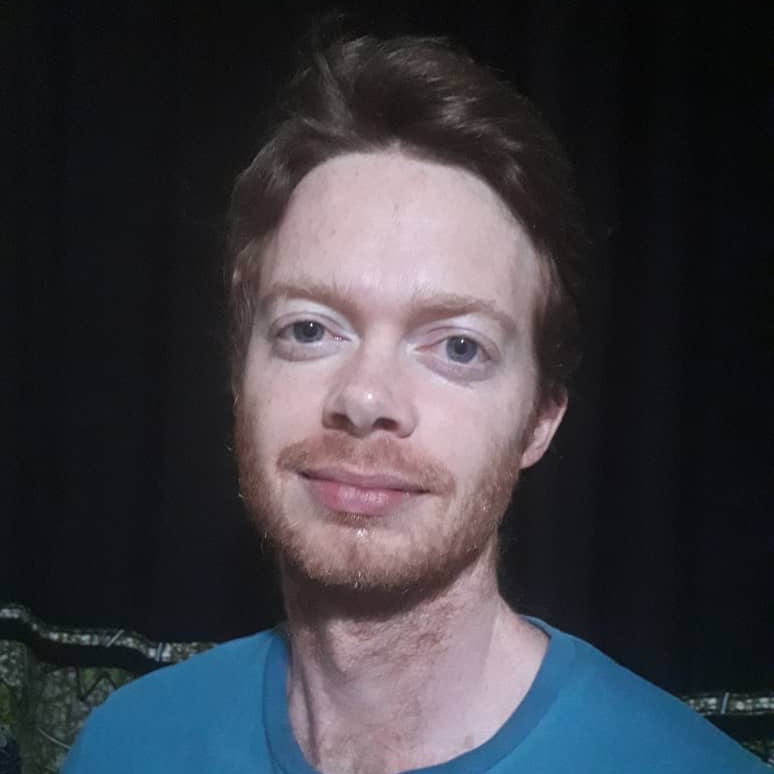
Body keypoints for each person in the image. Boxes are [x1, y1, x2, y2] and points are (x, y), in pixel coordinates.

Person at [61, 33, 767, 773]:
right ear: (240, 375)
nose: (365, 398)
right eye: (309, 329)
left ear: (540, 419)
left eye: (458, 347)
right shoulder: (124, 745)